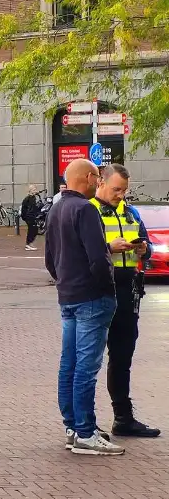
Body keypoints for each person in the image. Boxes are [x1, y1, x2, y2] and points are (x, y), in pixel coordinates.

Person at [45, 158, 124, 455]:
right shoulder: (85, 209)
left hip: (68, 296)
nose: (98, 182)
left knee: (69, 364)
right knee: (86, 368)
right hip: (92, 297)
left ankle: (72, 426)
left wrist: (64, 281)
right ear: (89, 178)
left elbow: (50, 260)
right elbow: (98, 258)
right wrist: (107, 287)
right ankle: (86, 433)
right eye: (98, 177)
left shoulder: (56, 209)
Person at [91, 164, 159, 438]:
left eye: (124, 190)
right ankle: (85, 422)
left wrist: (144, 248)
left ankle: (123, 417)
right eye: (116, 189)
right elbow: (81, 250)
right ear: (101, 183)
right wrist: (110, 248)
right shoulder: (90, 211)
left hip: (128, 290)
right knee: (90, 359)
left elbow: (149, 247)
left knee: (122, 357)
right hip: (99, 289)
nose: (120, 194)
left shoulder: (131, 212)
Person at [20, 185, 43, 251]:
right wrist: (27, 217)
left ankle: (30, 243)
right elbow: (27, 209)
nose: (35, 191)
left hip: (32, 216)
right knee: (32, 230)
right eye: (33, 189)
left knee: (34, 229)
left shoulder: (33, 197)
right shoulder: (29, 198)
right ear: (30, 191)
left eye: (35, 189)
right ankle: (28, 244)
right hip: (29, 217)